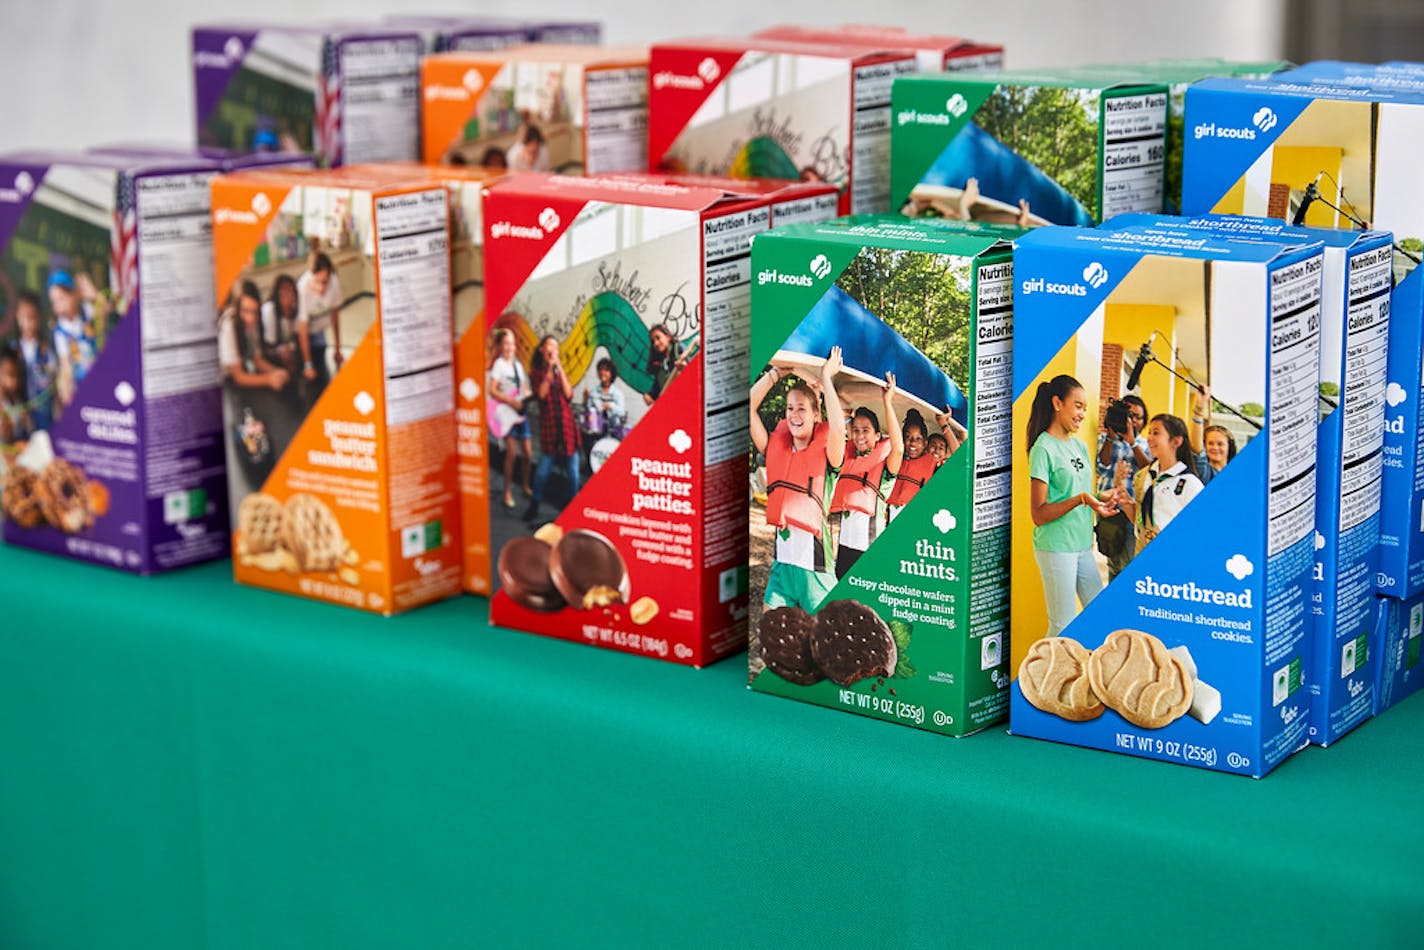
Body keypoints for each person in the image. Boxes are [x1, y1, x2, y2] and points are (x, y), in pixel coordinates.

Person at [750, 348, 846, 611]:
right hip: (783, 565)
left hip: (815, 569)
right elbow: (747, 407)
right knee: (772, 635)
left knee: (821, 645)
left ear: (817, 416)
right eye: (790, 408)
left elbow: (838, 427)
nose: (794, 414)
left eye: (802, 409)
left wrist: (827, 377)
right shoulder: (775, 448)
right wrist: (775, 374)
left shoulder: (829, 455)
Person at [1026, 374, 1120, 636]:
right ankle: (1041, 676)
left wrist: (1101, 497)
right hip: (1056, 548)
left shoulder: (1079, 446)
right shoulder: (1043, 448)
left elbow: (1080, 492)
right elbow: (1039, 513)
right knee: (1062, 625)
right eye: (1077, 406)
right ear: (1057, 403)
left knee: (1098, 614)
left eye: (1084, 408)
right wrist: (1082, 500)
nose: (1082, 414)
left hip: (1081, 546)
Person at [829, 373, 903, 579]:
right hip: (844, 546)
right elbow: (833, 432)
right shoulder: (848, 458)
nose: (860, 436)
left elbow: (898, 448)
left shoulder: (885, 467)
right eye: (856, 430)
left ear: (878, 435)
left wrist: (887, 402)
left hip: (869, 547)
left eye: (866, 430)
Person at [1121, 413, 1205, 551]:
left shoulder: (1189, 484)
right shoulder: (1143, 476)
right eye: (1149, 433)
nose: (1149, 438)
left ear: (1176, 442)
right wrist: (1124, 499)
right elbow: (1139, 520)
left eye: (1156, 433)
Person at [524, 336, 580, 523]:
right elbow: (541, 395)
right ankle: (534, 505)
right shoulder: (536, 373)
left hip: (567, 428)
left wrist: (559, 368)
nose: (553, 349)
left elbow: (569, 394)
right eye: (550, 345)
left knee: (574, 473)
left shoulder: (559, 371)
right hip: (549, 429)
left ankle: (572, 508)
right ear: (541, 349)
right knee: (542, 473)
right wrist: (549, 369)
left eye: (556, 347)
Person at [1095, 394, 1148, 580]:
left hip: (1130, 514)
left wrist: (1132, 441)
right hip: (1107, 512)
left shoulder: (1145, 444)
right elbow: (1101, 466)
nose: (1132, 420)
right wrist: (1111, 435)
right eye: (1128, 415)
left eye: (1137, 417)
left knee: (1129, 567)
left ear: (1144, 421)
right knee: (1113, 566)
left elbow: (1149, 472)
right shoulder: (1104, 439)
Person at [486, 328, 533, 509]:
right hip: (507, 413)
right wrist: (511, 402)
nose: (509, 347)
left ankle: (526, 485)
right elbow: (493, 390)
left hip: (520, 412)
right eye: (506, 344)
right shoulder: (499, 365)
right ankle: (506, 490)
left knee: (528, 453)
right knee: (512, 453)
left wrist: (528, 395)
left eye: (512, 344)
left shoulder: (518, 366)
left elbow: (522, 388)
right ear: (500, 346)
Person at [219, 282, 290, 394]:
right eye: (245, 311)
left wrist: (277, 372)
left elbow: (257, 359)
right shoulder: (228, 325)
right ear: (236, 308)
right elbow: (239, 378)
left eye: (254, 312)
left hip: (239, 375)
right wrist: (269, 379)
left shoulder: (253, 322)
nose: (251, 318)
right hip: (224, 381)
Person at [48, 269, 99, 411]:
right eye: (54, 302)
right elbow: (65, 364)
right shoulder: (60, 332)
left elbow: (108, 311)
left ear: (74, 294)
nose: (58, 307)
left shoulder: (87, 311)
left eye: (62, 299)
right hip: (80, 385)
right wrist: (66, 390)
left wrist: (94, 297)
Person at [297, 252, 342, 400]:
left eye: (325, 282)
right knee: (307, 376)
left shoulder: (334, 282)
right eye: (317, 282)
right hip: (303, 333)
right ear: (311, 276)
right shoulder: (302, 287)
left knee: (323, 372)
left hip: (319, 330)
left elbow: (335, 317)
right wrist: (308, 364)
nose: (322, 288)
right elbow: (302, 329)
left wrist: (337, 349)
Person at [13, 290, 55, 430]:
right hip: (19, 424)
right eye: (26, 317)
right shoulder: (13, 350)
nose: (30, 323)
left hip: (44, 421)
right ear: (18, 317)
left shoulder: (47, 350)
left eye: (34, 318)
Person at [885, 408, 937, 521]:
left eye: (918, 439)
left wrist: (945, 427)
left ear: (925, 443)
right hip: (891, 515)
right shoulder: (894, 459)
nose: (912, 442)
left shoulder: (933, 467)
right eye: (908, 437)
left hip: (916, 518)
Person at [1187, 385, 1236, 485]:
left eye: (1220, 444)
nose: (1215, 447)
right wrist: (1199, 411)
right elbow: (1197, 448)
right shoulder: (1204, 472)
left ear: (1229, 447)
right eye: (1210, 443)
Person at [262, 274, 301, 377]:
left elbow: (296, 336)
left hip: (286, 346)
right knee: (285, 353)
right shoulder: (269, 310)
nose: (289, 296)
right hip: (268, 349)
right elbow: (269, 344)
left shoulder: (295, 309)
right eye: (284, 292)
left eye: (292, 292)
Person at [643, 323, 686, 406]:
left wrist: (685, 368)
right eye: (653, 341)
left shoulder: (679, 349)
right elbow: (658, 387)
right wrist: (650, 395)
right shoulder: (660, 362)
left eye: (658, 338)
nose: (656, 343)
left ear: (668, 337)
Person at [0, 345, 32, 445]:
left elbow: (26, 432)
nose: (12, 382)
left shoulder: (18, 401)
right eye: (7, 375)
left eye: (16, 376)